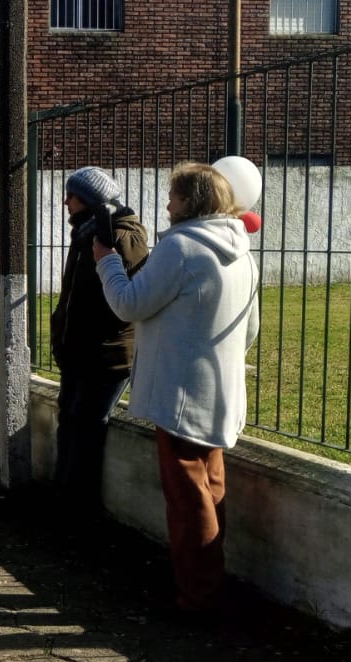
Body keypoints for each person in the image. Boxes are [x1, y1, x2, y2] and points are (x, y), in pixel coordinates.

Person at [92, 162, 260, 615]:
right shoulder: (241, 250)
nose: (167, 205)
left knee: (187, 499)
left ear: (191, 201)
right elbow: (250, 329)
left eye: (174, 196)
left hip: (179, 393)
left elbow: (128, 304)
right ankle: (208, 582)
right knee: (211, 487)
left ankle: (198, 596)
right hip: (221, 390)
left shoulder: (181, 247)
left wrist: (106, 260)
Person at [51, 167, 149, 518]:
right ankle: (64, 496)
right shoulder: (87, 232)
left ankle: (81, 509)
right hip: (78, 352)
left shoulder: (122, 235)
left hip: (106, 356)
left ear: (90, 200)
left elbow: (126, 299)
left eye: (72, 196)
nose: (66, 202)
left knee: (88, 426)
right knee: (70, 420)